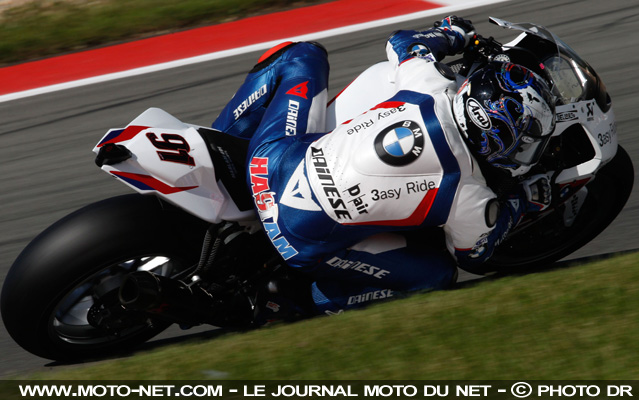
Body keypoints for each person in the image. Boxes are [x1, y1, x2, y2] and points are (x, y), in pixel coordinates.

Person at [211, 16, 556, 315]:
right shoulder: (468, 194)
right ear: (493, 135)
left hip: (269, 163)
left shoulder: (430, 87)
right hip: (295, 239)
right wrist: (523, 199)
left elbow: (402, 42)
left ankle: (215, 148)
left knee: (301, 56)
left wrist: (451, 34)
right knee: (436, 276)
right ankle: (300, 302)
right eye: (524, 143)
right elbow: (474, 254)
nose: (526, 152)